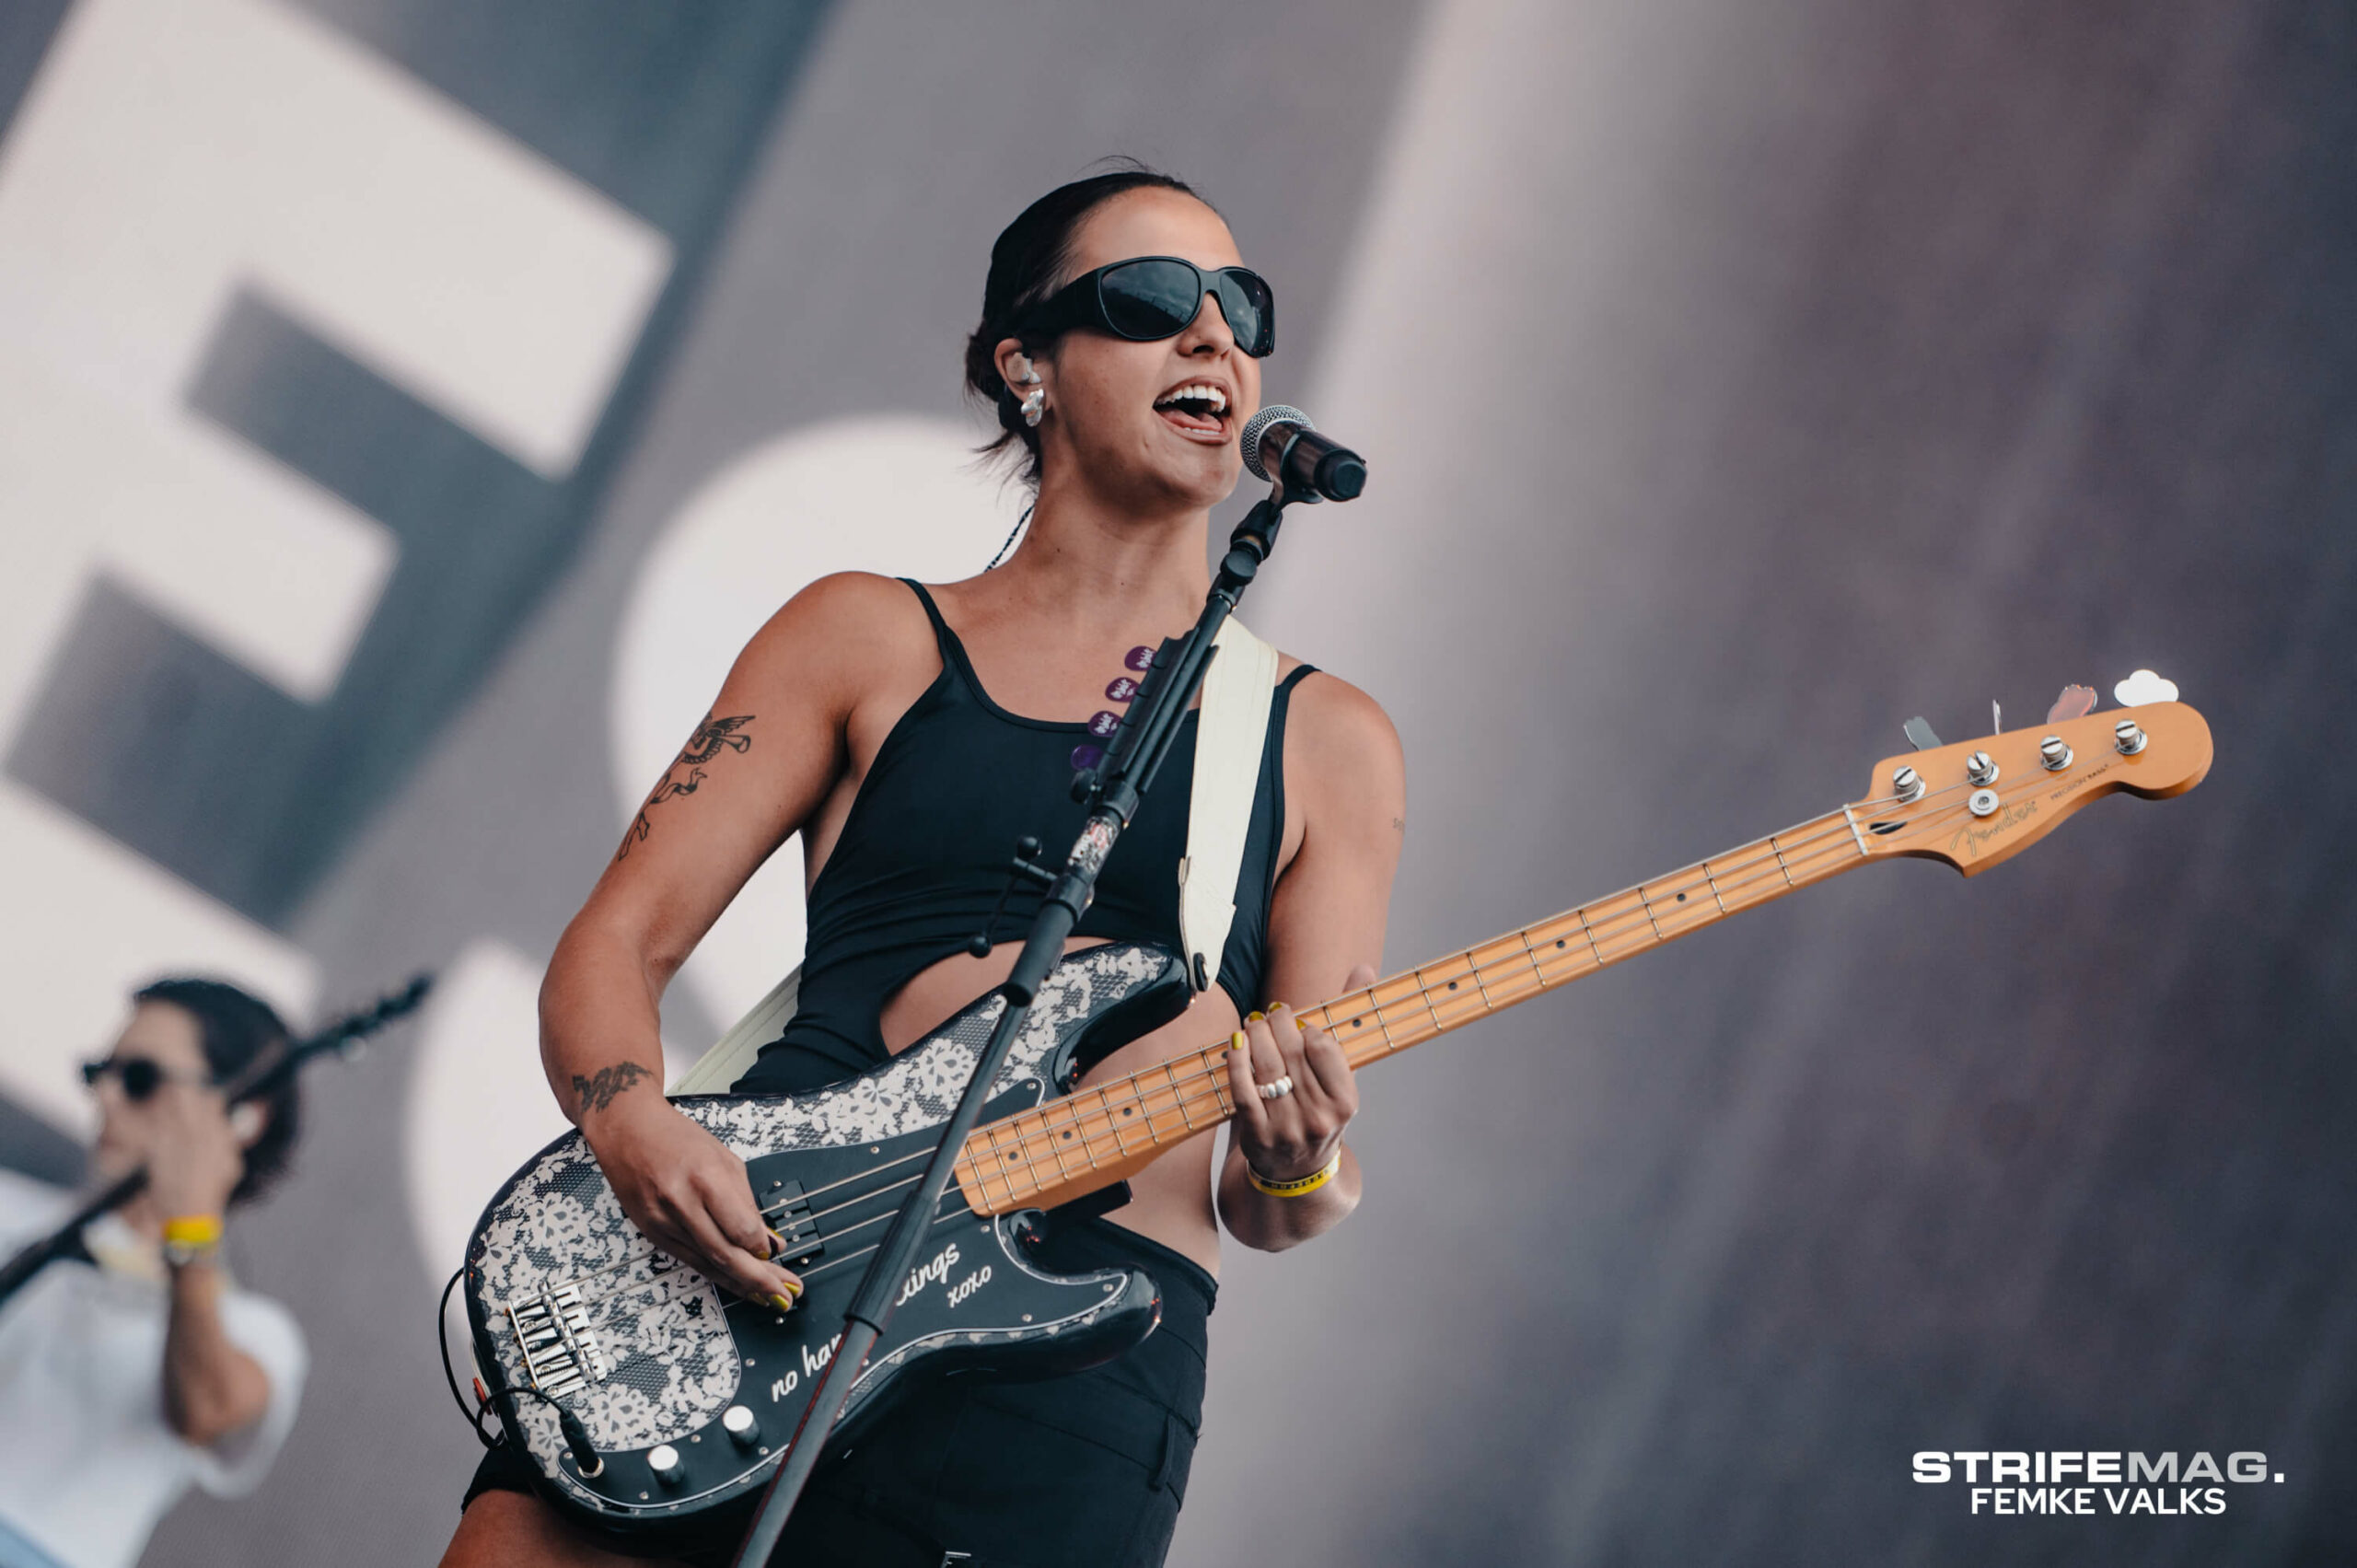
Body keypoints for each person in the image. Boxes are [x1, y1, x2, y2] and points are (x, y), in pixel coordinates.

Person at [441, 163, 1406, 1568]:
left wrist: (1307, 1158)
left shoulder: (1328, 737)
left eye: (1240, 305)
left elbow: (1274, 1206)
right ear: (1027, 364)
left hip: (1061, 1393)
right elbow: (617, 944)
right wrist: (634, 1123)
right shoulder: (863, 636)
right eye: (1150, 299)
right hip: (751, 1285)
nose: (1214, 338)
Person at [0, 980, 308, 1568]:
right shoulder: (10, 1209)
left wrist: (190, 1229)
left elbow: (206, 1411)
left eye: (140, 1078)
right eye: (101, 1072)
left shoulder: (257, 1330)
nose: (108, 1098)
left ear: (243, 1117)